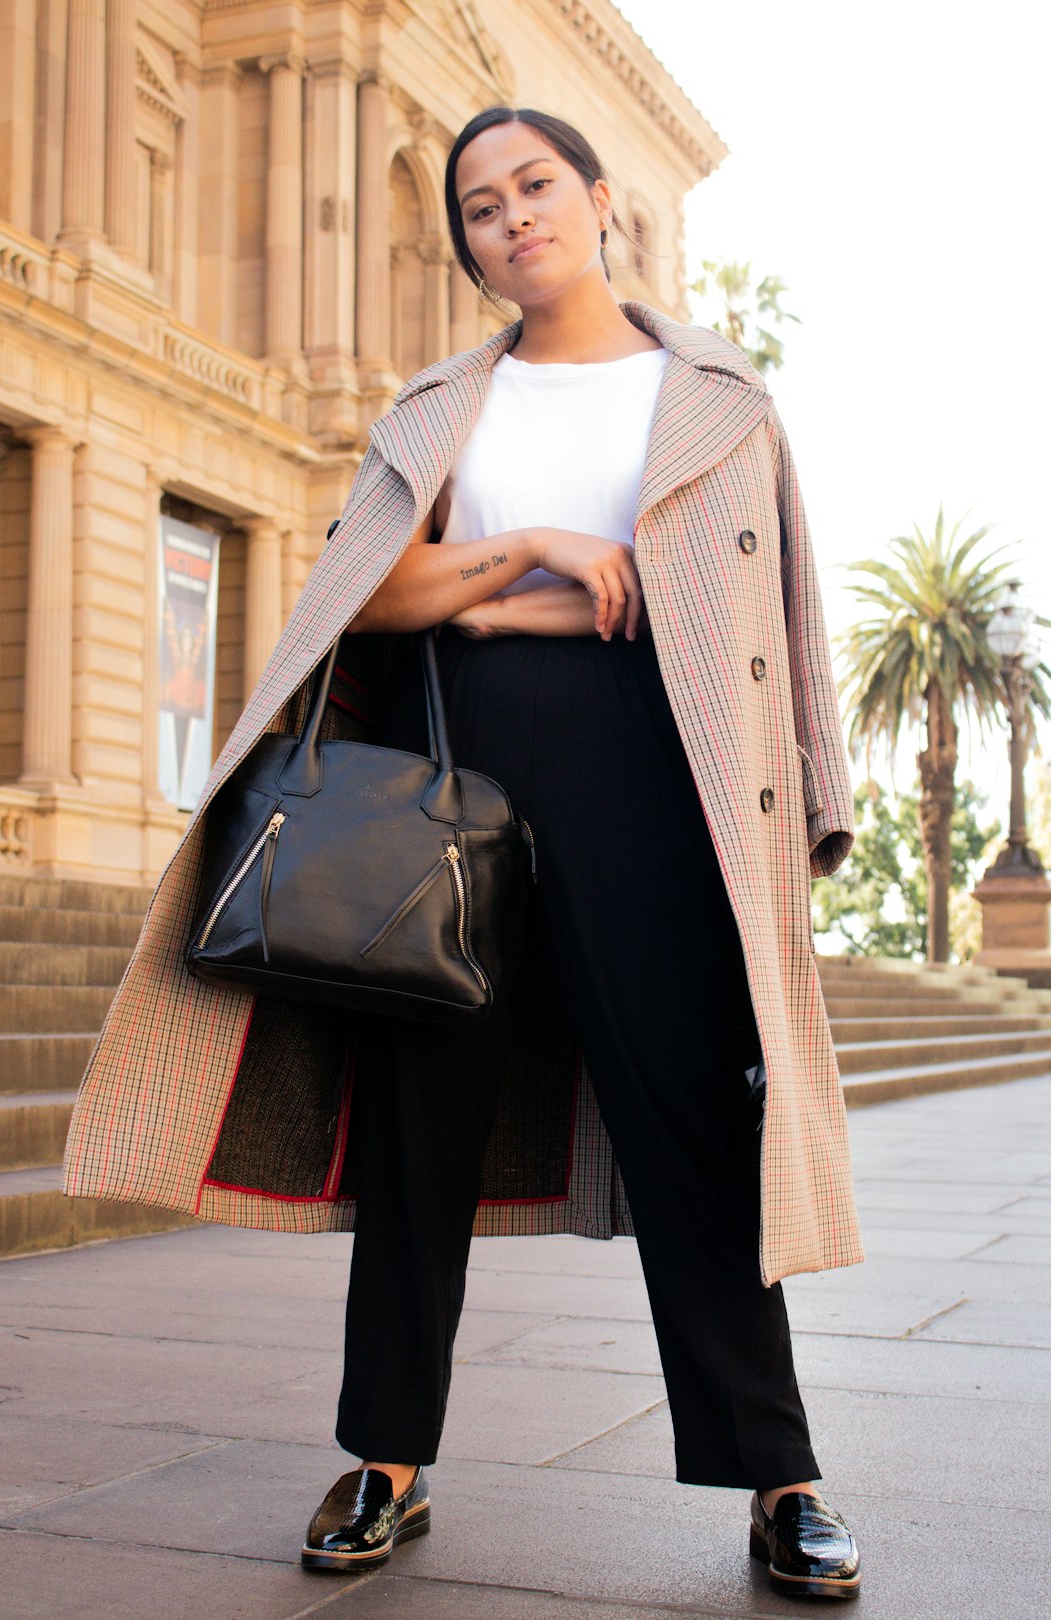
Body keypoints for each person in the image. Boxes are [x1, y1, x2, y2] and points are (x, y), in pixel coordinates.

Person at [297, 107, 862, 1601]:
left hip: (656, 780)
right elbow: (368, 593)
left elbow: (753, 618)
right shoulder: (437, 406)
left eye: (534, 185)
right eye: (480, 206)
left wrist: (479, 599)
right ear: (468, 242)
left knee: (694, 1122)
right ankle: (387, 1460)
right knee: (422, 1120)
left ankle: (779, 1474)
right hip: (455, 793)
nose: (511, 218)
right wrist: (534, 557)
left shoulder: (721, 400)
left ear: (601, 199)